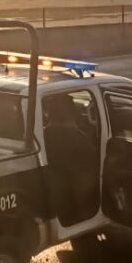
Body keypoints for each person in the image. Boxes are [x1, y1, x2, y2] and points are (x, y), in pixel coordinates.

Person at [43, 94, 99, 225]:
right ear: (73, 113)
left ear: (49, 114)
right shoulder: (80, 140)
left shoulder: (42, 137)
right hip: (74, 199)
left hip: (53, 193)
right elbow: (95, 161)